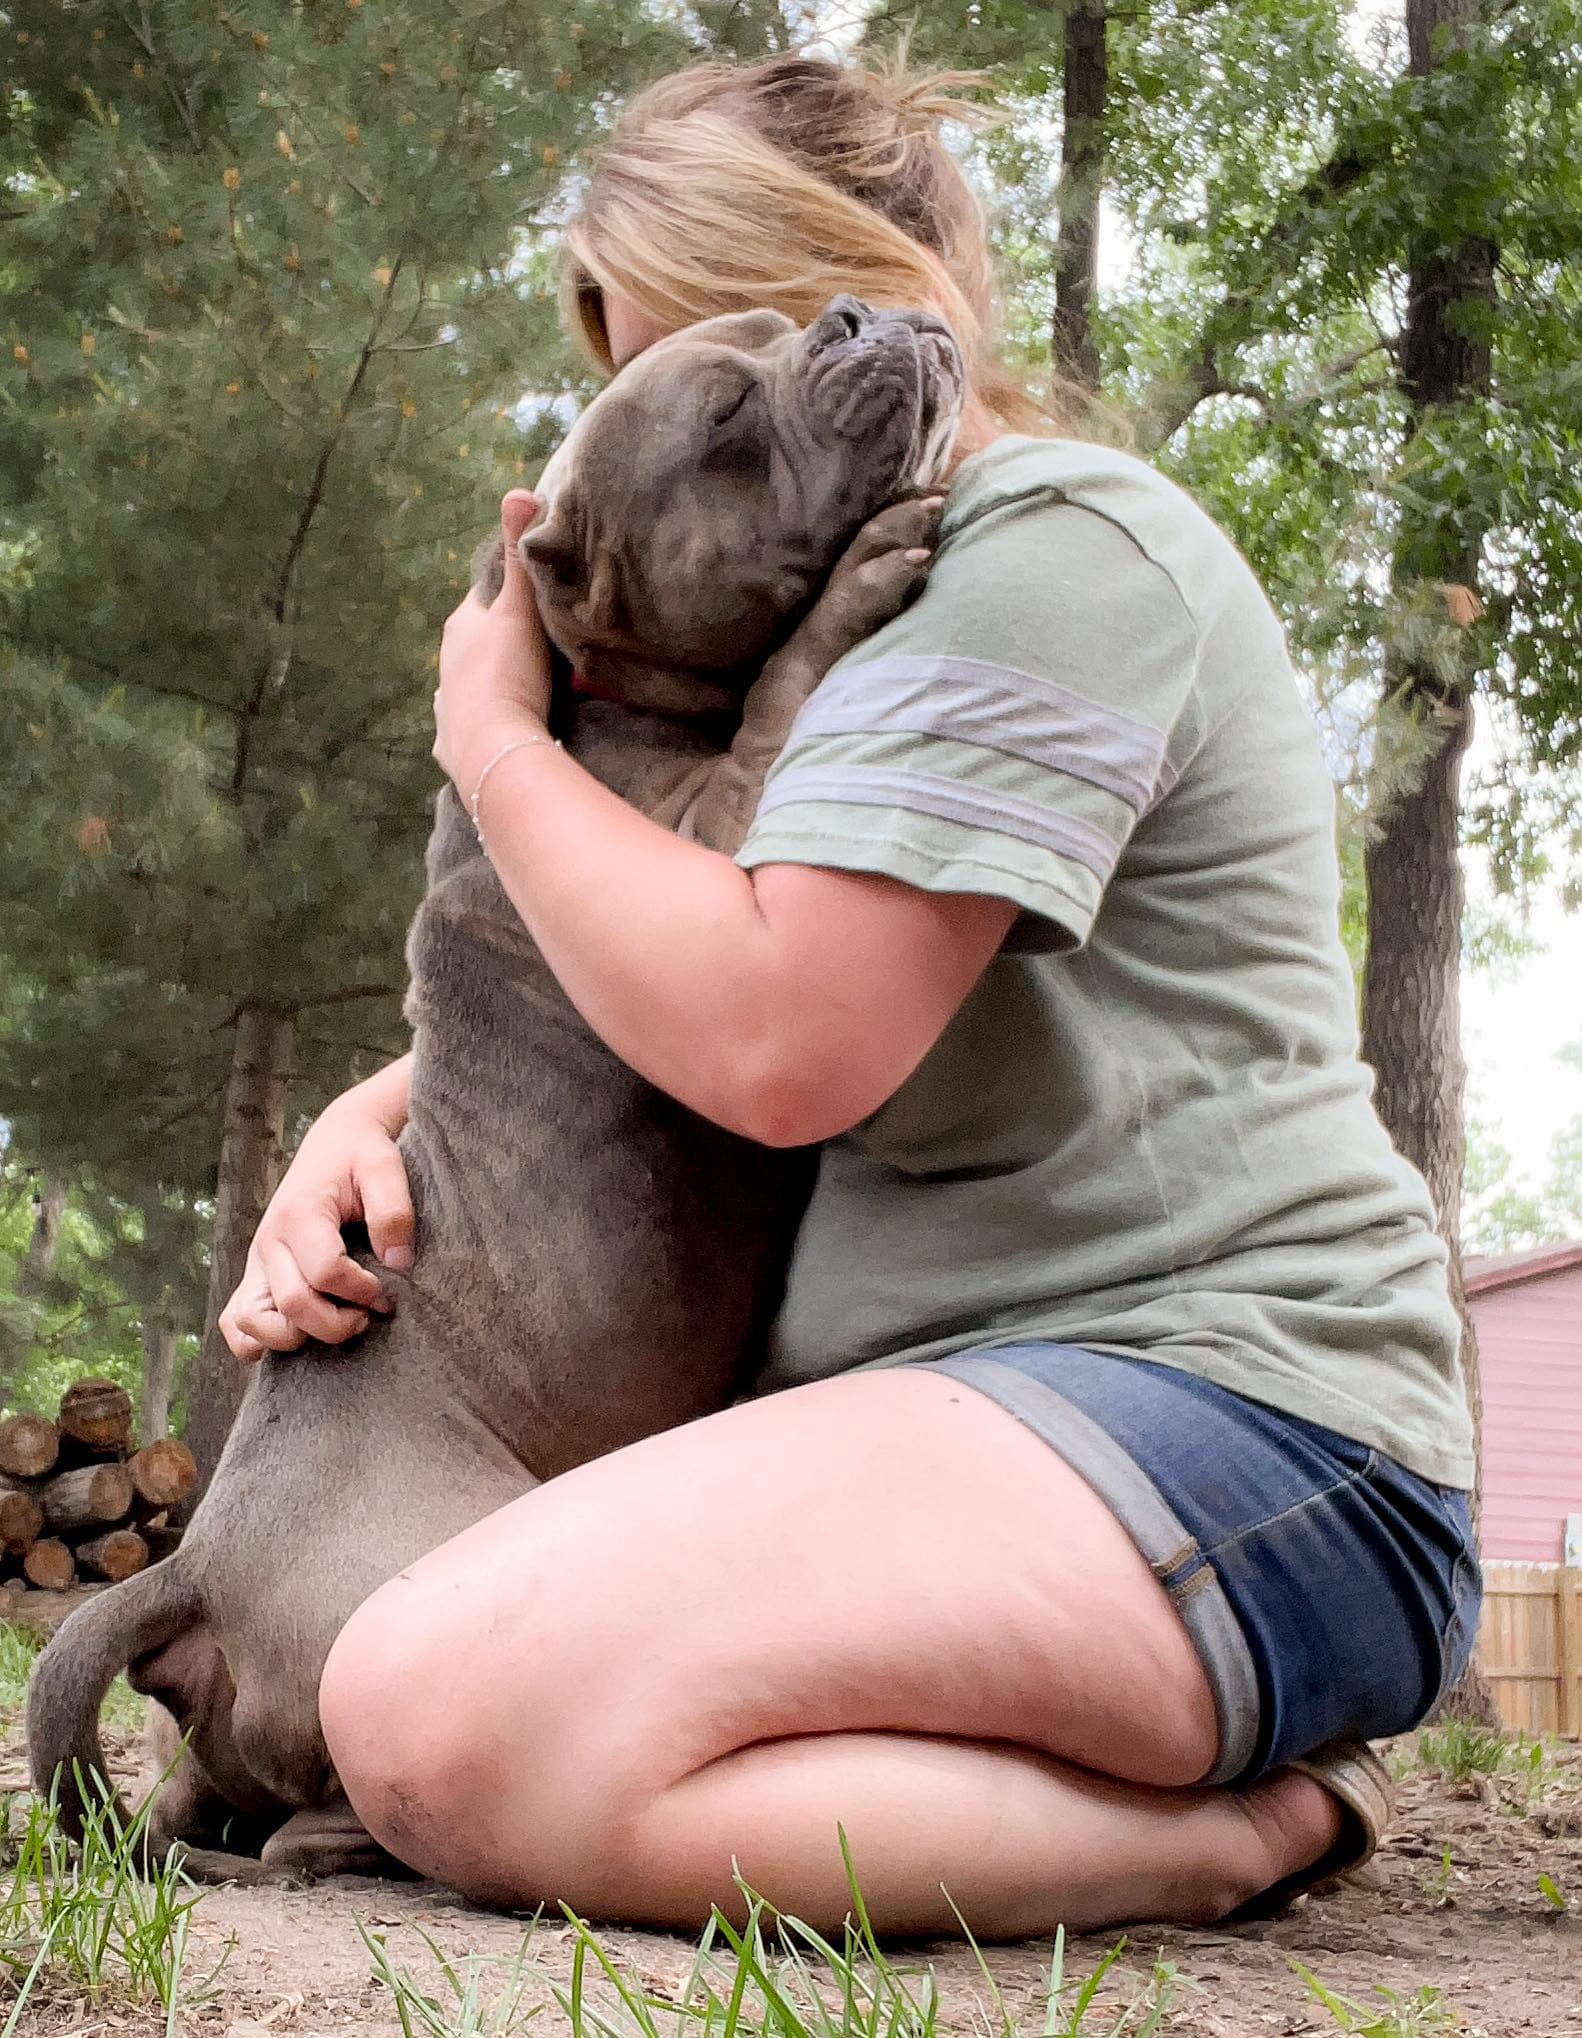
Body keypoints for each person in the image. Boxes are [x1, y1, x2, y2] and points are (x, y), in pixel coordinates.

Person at [219, 55, 1481, 1936]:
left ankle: (1239, 1836)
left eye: (732, 352)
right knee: (409, 1691)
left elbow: (781, 1033)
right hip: (979, 1428)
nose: (638, 424)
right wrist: (375, 1110)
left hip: (1240, 1423)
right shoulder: (843, 622)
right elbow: (697, 968)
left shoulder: (1051, 547)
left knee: (434, 1708)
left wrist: (493, 744)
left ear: (858, 277)